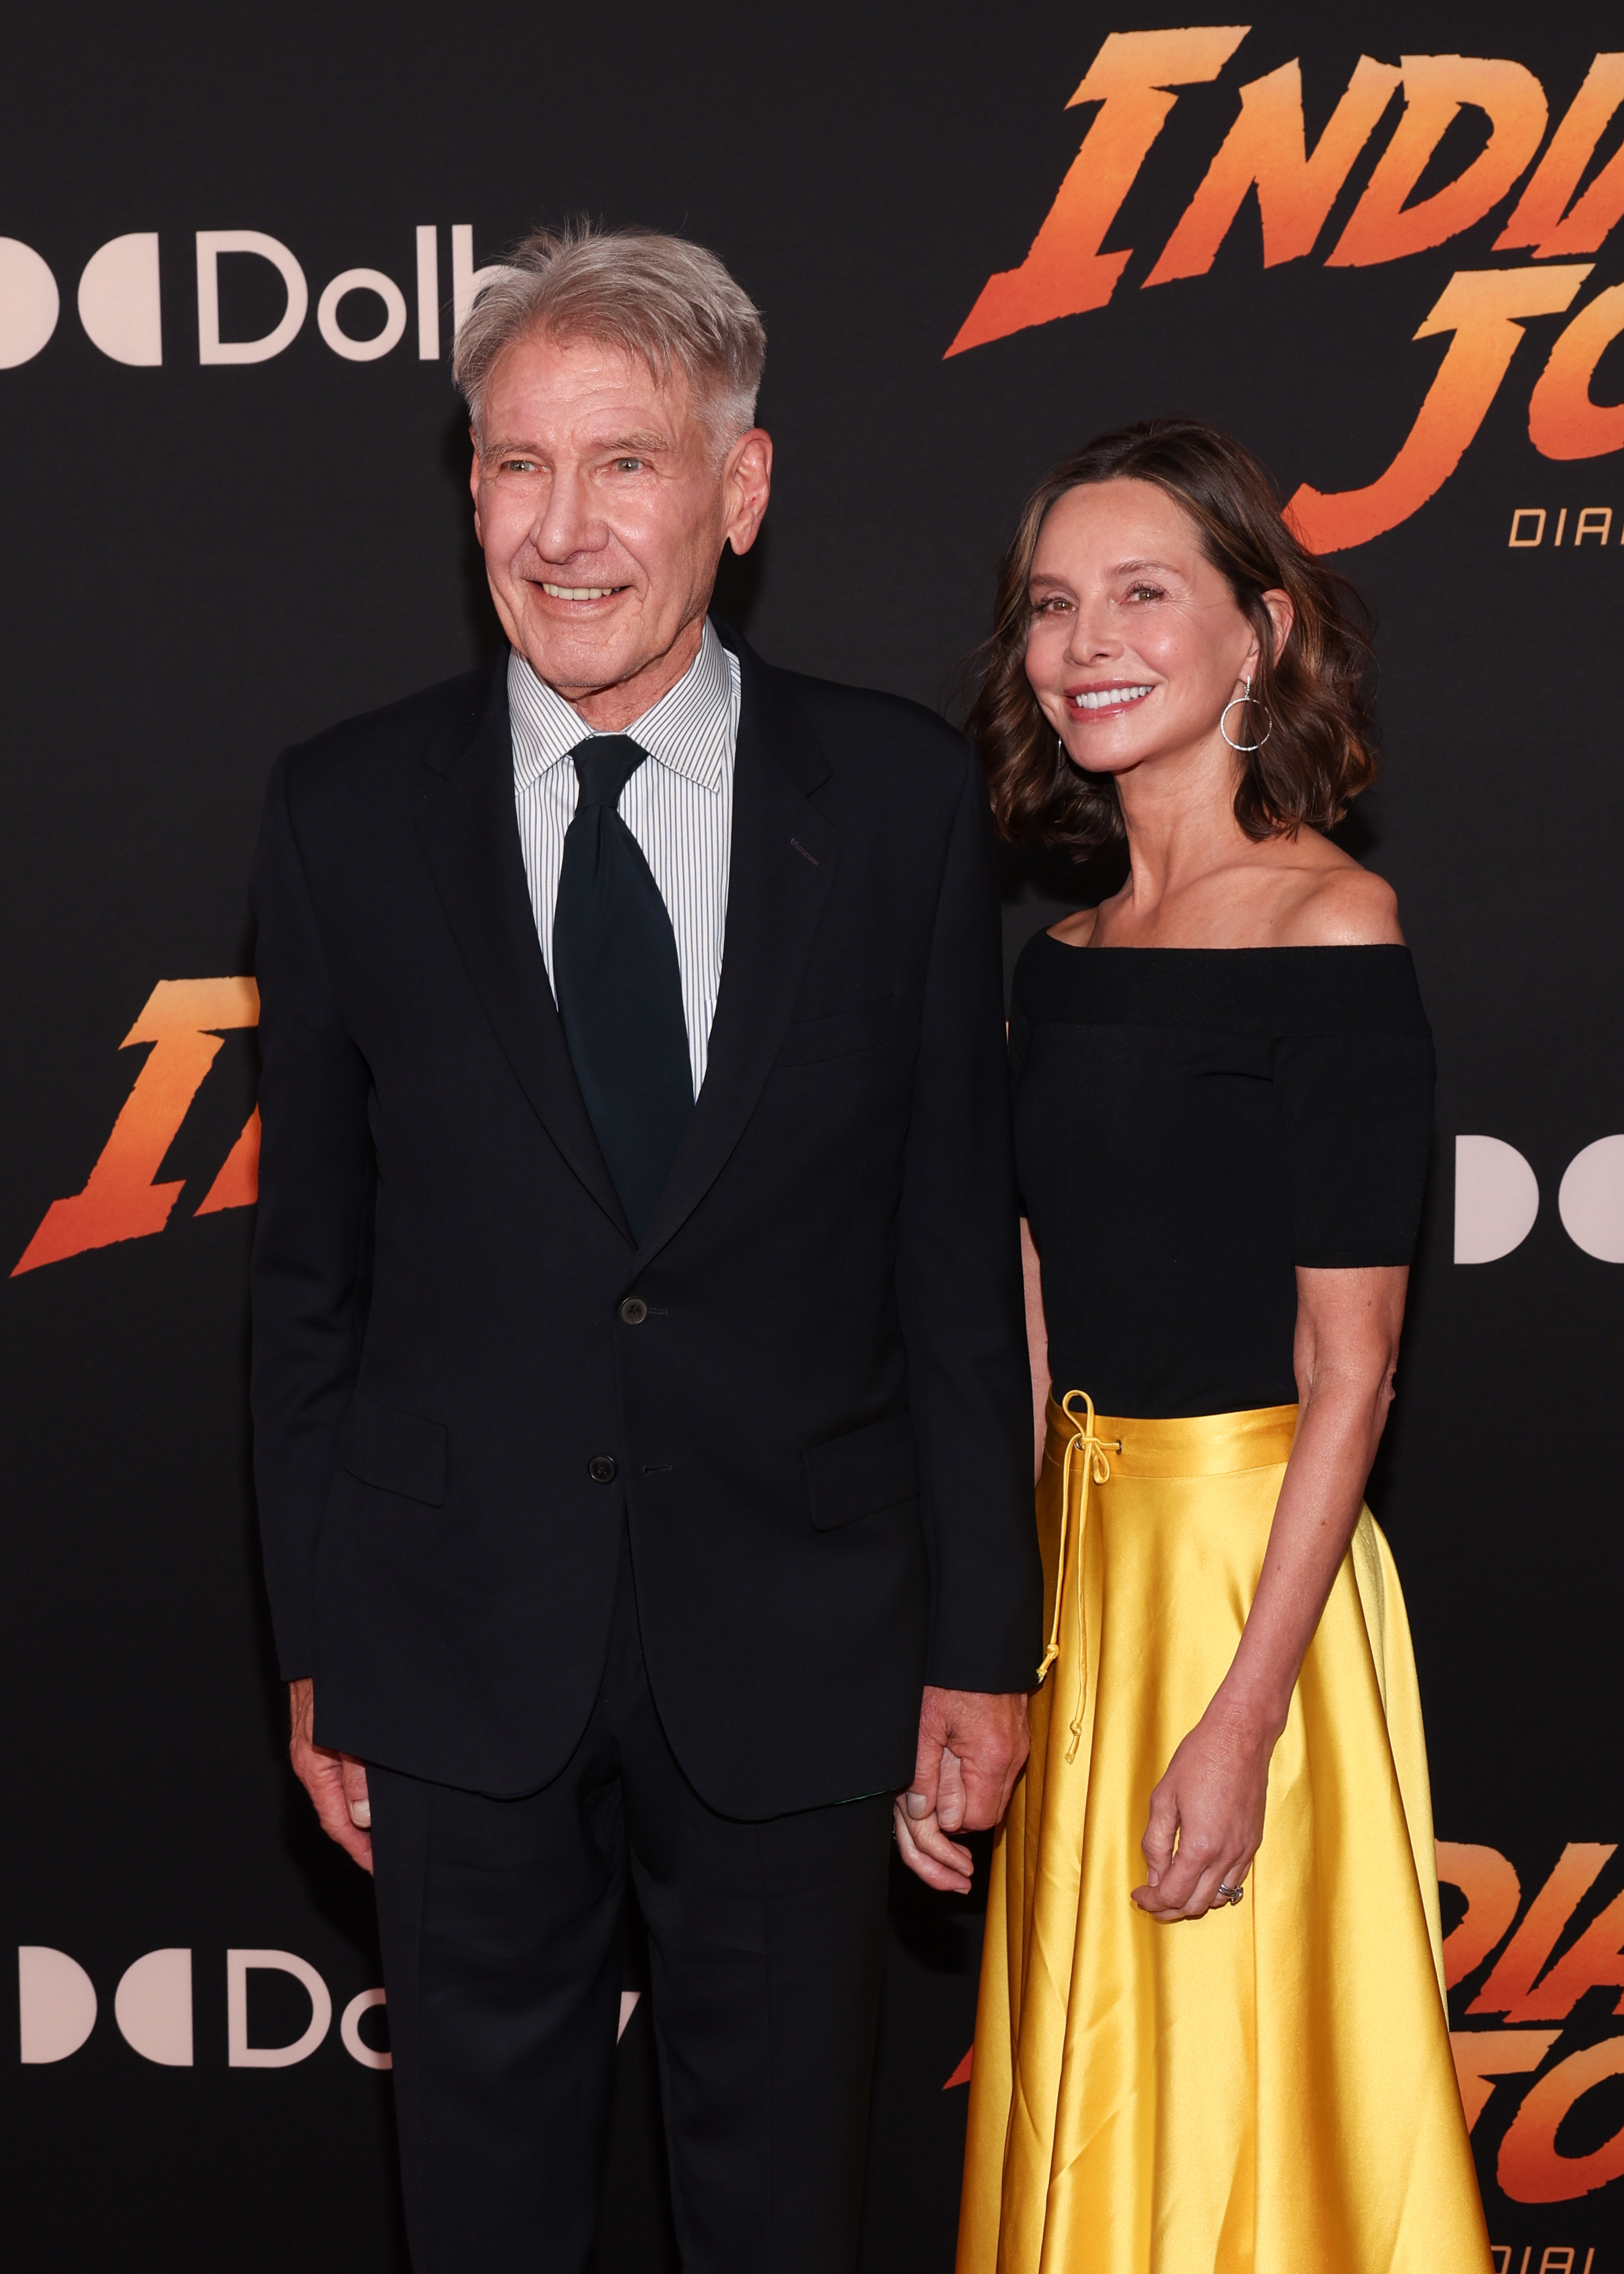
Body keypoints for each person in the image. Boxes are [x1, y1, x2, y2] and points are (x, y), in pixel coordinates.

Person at [248, 222, 1042, 2274]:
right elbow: (309, 1280)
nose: (563, 529)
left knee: (779, 2207)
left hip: (796, 1635)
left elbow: (953, 1257)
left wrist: (979, 1638)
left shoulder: (894, 804)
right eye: (517, 465)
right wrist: (320, 1639)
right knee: (481, 2216)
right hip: (447, 1637)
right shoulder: (342, 812)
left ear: (740, 487)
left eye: (623, 464)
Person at [897, 419, 1492, 2272]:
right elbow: (1027, 1309)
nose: (1086, 641)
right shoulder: (1062, 950)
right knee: (1098, 2089)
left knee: (1248, 2095)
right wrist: (976, 1650)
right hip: (1077, 1572)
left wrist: (1239, 1722)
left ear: (1261, 632)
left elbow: (1352, 1378)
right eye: (1052, 605)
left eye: (1143, 593)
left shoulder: (1330, 927)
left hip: (1256, 1588)